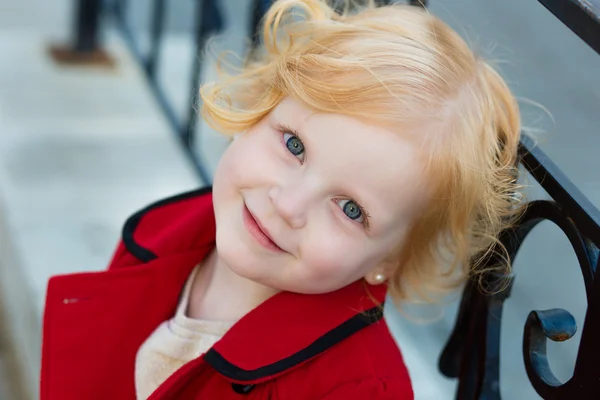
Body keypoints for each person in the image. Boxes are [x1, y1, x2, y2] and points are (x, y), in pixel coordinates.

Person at [40, 0, 524, 399]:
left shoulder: (355, 390)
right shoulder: (159, 238)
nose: (288, 206)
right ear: (260, 108)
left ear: (391, 258)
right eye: (294, 145)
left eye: (350, 209)